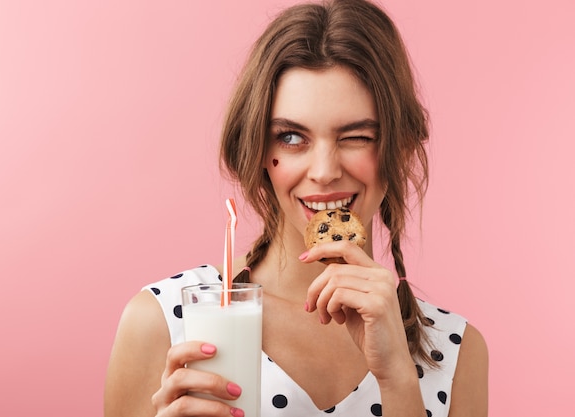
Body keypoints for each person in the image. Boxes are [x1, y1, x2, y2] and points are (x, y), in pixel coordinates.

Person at [104, 0, 489, 416]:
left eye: (357, 136)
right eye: (290, 137)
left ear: (402, 147)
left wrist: (398, 378)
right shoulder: (167, 322)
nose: (323, 172)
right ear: (256, 150)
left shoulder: (455, 352)